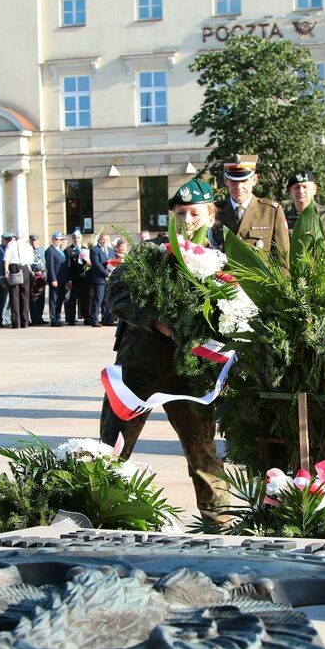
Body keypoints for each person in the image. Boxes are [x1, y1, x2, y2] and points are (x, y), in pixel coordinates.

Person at [99, 177, 229, 525]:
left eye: (195, 213)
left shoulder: (223, 261)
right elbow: (117, 295)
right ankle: (96, 516)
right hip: (138, 368)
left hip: (191, 374)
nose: (187, 221)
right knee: (110, 451)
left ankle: (220, 524)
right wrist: (156, 322)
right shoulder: (149, 253)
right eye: (180, 213)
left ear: (211, 216)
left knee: (203, 456)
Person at [215, 154, 290, 266]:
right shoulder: (215, 212)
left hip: (260, 282)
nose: (239, 187)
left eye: (244, 180)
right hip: (223, 281)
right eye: (233, 181)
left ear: (254, 180)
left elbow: (282, 258)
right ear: (226, 181)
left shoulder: (271, 211)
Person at [284, 171, 325, 239]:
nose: (301, 191)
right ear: (291, 192)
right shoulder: (284, 218)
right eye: (297, 187)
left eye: (305, 187)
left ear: (314, 189)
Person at [88, 232, 113, 327]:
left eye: (106, 239)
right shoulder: (95, 250)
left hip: (108, 279)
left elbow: (114, 262)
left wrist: (112, 271)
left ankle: (106, 319)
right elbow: (96, 264)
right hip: (99, 279)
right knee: (98, 299)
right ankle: (94, 320)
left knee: (106, 300)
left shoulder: (111, 250)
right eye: (102, 239)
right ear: (99, 240)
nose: (104, 241)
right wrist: (107, 273)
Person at [46, 232, 68, 326]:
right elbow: (50, 266)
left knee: (60, 299)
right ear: (53, 240)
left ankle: (57, 317)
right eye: (56, 239)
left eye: (60, 239)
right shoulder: (51, 250)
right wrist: (53, 279)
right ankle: (53, 319)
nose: (58, 241)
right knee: (54, 299)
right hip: (56, 279)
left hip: (62, 279)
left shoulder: (60, 250)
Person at [29, 234, 48, 325]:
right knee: (34, 298)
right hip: (33, 276)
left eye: (36, 241)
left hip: (42, 276)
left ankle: (40, 317)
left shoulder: (42, 250)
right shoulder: (28, 251)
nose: (34, 242)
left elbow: (45, 262)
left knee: (41, 298)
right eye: (32, 241)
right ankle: (34, 318)